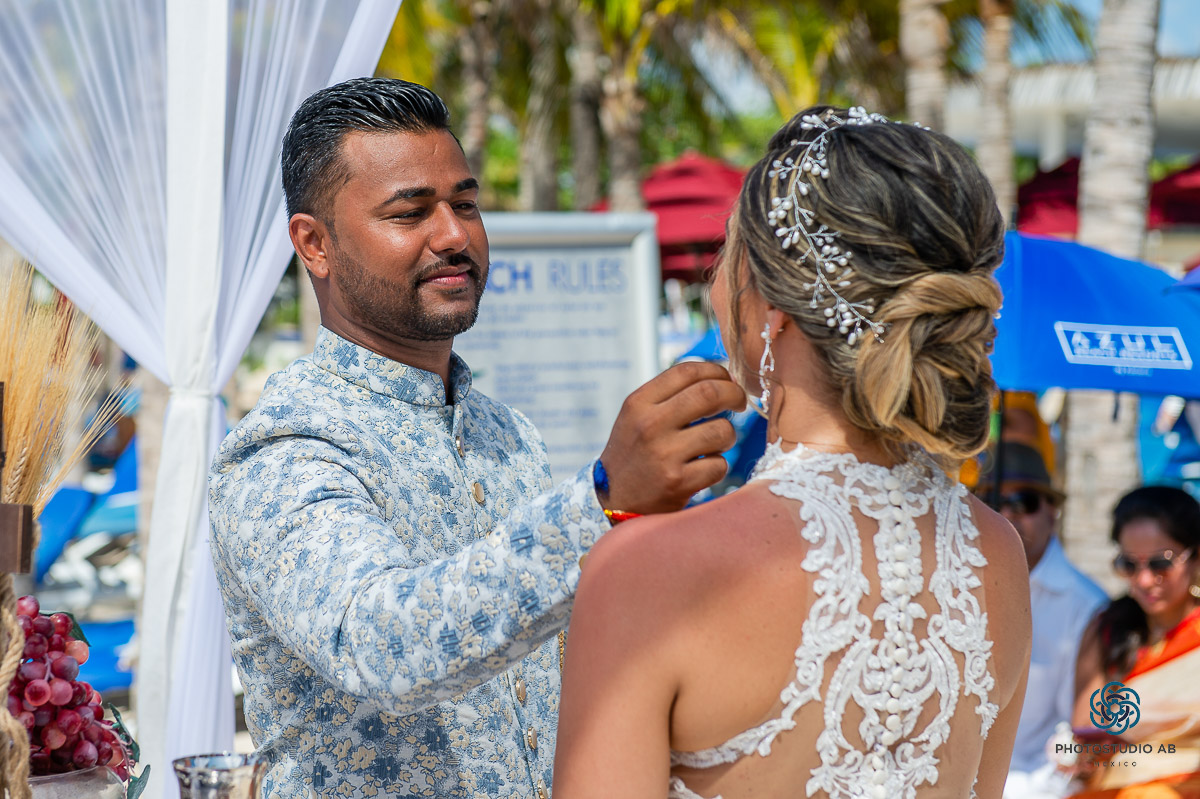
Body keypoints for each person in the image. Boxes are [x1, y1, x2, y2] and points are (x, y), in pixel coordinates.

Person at [207, 77, 744, 799]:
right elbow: (382, 647)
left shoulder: (508, 433)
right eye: (410, 212)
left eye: (465, 204)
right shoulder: (284, 448)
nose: (455, 236)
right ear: (315, 243)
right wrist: (602, 500)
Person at [553, 105, 1032, 799]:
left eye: (727, 251)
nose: (715, 281)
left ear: (770, 309)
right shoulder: (997, 553)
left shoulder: (646, 571)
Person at [978, 441, 1108, 799]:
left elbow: (1081, 734)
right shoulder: (953, 584)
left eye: (1024, 502)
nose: (1007, 514)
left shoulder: (1087, 604)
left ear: (1053, 511)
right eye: (993, 501)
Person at [1069, 486, 1200, 798]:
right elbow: (1085, 735)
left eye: (1160, 564)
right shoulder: (1109, 628)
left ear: (1195, 557)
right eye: (1129, 565)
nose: (1144, 580)